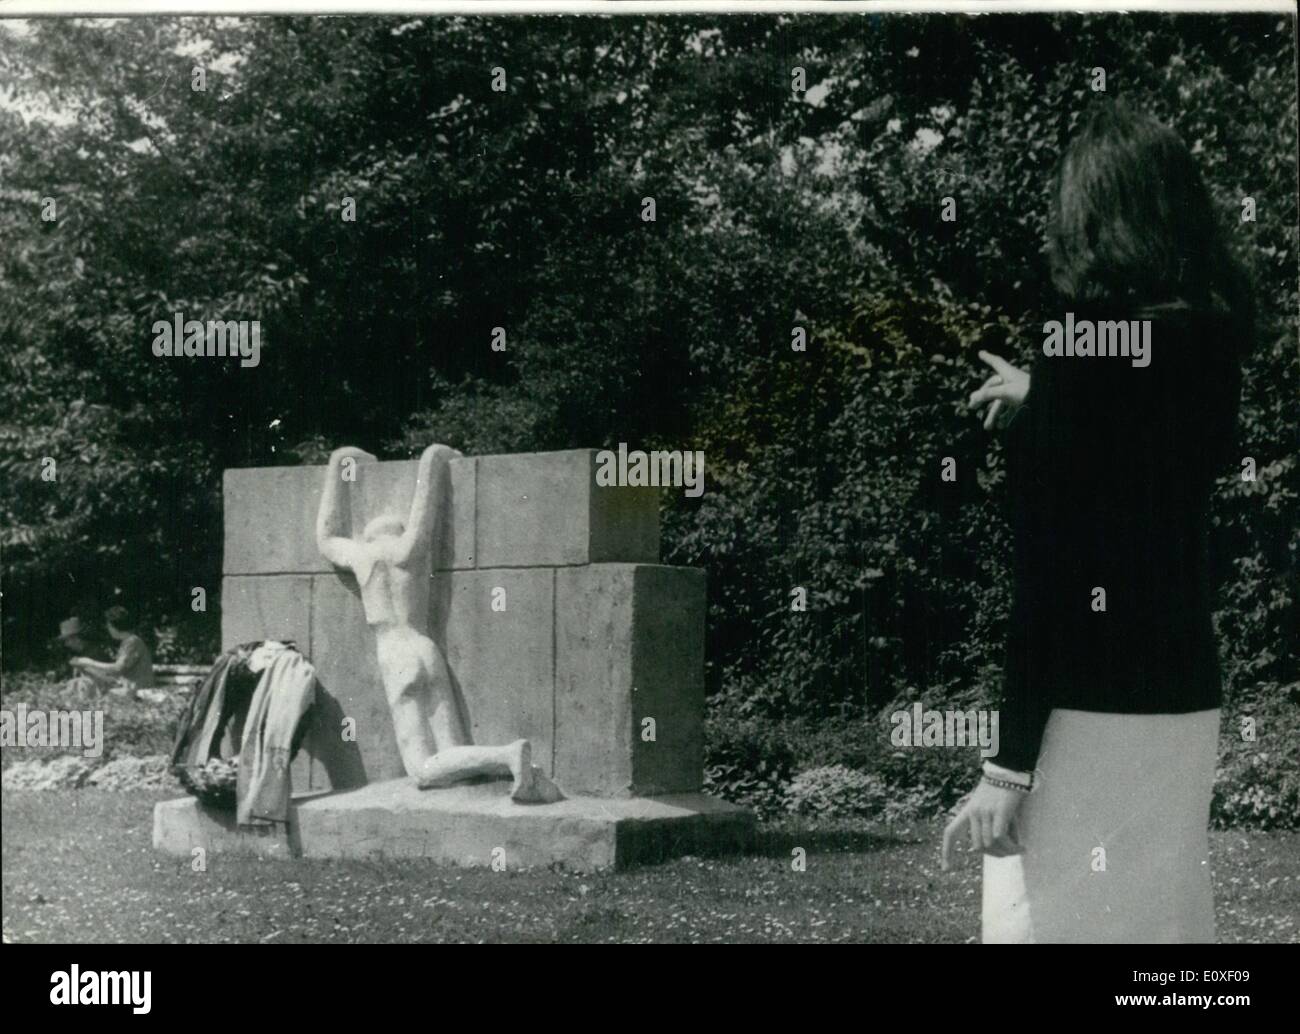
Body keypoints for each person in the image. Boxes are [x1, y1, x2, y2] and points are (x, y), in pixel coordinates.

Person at [948, 101, 1251, 943]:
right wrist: (1050, 401)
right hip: (1185, 698)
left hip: (1088, 712)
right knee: (1164, 941)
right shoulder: (1212, 342)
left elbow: (1051, 578)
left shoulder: (1080, 353)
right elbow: (1148, 468)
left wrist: (1006, 768)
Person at [316, 444, 562, 803]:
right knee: (452, 749)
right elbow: (422, 508)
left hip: (395, 655)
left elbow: (325, 537)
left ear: (369, 535)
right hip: (424, 648)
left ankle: (507, 755)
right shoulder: (407, 551)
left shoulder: (362, 556)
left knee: (422, 769)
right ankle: (517, 768)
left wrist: (339, 462)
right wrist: (435, 456)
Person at [69, 605, 156, 696]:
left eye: (108, 625)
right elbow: (115, 675)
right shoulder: (128, 642)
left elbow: (117, 669)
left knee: (94, 693)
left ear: (113, 625)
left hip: (138, 692)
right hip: (130, 689)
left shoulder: (133, 642)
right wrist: (86, 668)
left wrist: (89, 662)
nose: (108, 628)